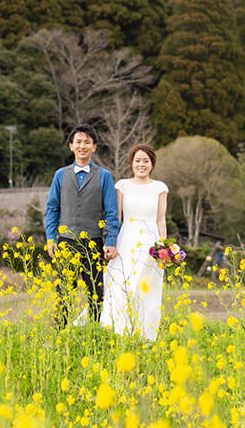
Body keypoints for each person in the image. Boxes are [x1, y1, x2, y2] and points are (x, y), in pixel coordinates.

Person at [44, 124, 119, 327]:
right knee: (64, 292)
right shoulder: (60, 175)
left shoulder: (104, 176)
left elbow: (111, 212)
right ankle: (61, 334)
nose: (82, 146)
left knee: (96, 292)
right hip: (66, 243)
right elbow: (52, 209)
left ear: (94, 147)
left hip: (93, 243)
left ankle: (94, 333)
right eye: (78, 141)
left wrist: (111, 240)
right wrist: (51, 238)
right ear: (71, 146)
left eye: (87, 142)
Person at [100, 143, 168, 342]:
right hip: (127, 238)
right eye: (137, 161)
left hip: (151, 241)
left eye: (146, 161)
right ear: (131, 163)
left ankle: (145, 336)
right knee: (121, 284)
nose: (141, 165)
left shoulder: (160, 188)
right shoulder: (122, 185)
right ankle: (118, 331)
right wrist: (110, 242)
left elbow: (160, 220)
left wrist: (164, 247)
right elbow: (117, 216)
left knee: (147, 288)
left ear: (152, 164)